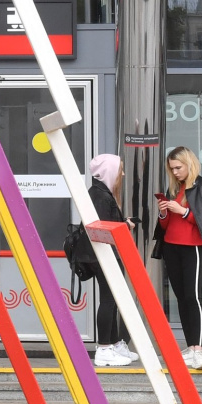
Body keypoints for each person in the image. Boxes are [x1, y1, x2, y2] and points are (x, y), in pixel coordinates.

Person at [151, 146, 202, 372]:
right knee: (182, 298)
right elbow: (166, 225)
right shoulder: (174, 189)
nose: (175, 172)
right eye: (172, 169)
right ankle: (191, 347)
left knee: (193, 297)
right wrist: (164, 212)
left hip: (193, 247)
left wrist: (182, 211)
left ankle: (198, 350)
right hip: (171, 247)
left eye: (178, 167)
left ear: (189, 163)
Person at [84, 154, 139, 367]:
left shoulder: (101, 193)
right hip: (104, 255)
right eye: (119, 169)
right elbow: (101, 229)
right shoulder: (100, 195)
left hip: (105, 254)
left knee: (112, 300)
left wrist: (122, 222)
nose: (122, 174)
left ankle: (114, 344)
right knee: (108, 300)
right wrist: (125, 226)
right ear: (109, 171)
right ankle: (105, 348)